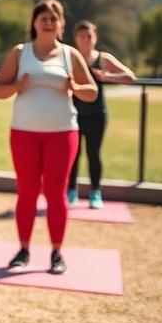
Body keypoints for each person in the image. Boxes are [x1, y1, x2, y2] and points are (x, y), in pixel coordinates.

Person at [0, 0, 97, 274]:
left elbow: (92, 92)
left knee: (55, 194)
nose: (48, 22)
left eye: (54, 18)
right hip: (24, 133)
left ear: (61, 24)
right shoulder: (20, 53)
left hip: (62, 134)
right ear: (34, 23)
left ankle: (57, 253)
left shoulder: (69, 55)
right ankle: (24, 249)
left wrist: (74, 86)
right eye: (43, 18)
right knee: (27, 193)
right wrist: (17, 85)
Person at [67, 20, 135, 208]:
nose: (86, 40)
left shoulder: (102, 59)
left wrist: (107, 77)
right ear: (76, 38)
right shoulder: (71, 58)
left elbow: (130, 76)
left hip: (97, 115)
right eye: (82, 36)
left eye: (89, 36)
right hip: (73, 114)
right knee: (73, 154)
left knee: (93, 154)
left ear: (95, 37)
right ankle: (71, 191)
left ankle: (95, 193)